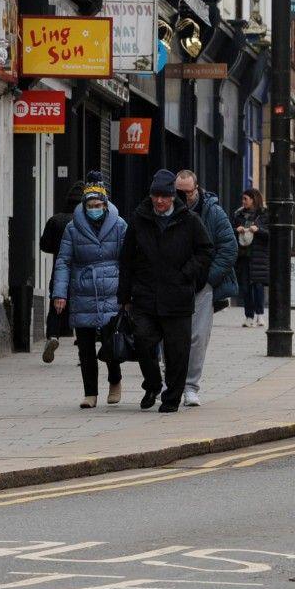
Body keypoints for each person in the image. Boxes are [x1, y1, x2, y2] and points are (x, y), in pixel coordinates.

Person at [118, 169, 213, 413]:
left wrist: (186, 274)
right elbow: (126, 259)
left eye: (165, 196)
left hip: (177, 297)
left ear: (173, 197)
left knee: (177, 352)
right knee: (143, 342)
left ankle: (171, 397)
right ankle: (152, 383)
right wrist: (124, 297)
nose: (159, 201)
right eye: (155, 196)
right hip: (145, 296)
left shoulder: (189, 221)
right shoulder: (139, 219)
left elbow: (205, 252)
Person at [50, 176, 128, 408]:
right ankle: (90, 393)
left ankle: (115, 380)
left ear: (105, 205)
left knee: (109, 342)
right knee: (84, 346)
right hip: (83, 289)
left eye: (98, 205)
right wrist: (59, 294)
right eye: (90, 206)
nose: (94, 209)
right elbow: (63, 262)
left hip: (111, 289)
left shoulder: (120, 225)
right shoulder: (73, 228)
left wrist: (127, 293)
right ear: (84, 206)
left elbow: (129, 260)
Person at [174, 169, 239, 408]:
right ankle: (171, 383)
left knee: (198, 337)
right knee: (168, 336)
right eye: (178, 193)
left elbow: (229, 248)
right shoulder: (165, 210)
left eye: (187, 193)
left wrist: (209, 279)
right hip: (172, 284)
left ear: (197, 188)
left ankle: (190, 387)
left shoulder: (213, 212)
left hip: (201, 285)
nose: (183, 198)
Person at [38, 182, 83, 364]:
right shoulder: (85, 221)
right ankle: (82, 346)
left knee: (56, 304)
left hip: (59, 269)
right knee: (81, 308)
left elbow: (44, 245)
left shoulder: (55, 220)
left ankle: (53, 336)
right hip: (81, 270)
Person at [234, 188, 272, 327]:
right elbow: (230, 234)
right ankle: (248, 316)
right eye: (243, 199)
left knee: (258, 286)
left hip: (258, 256)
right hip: (243, 256)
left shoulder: (263, 215)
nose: (243, 202)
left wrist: (259, 230)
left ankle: (260, 315)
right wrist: (236, 230)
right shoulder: (238, 215)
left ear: (253, 199)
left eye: (246, 199)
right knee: (245, 287)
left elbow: (270, 234)